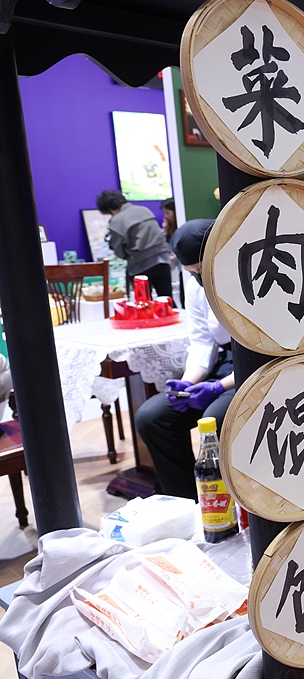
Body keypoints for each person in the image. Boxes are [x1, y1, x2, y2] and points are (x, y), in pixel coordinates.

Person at [135, 219, 234, 500]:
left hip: (255, 368)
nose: (198, 278)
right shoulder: (195, 286)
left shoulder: (245, 277)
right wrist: (187, 383)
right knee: (151, 418)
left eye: (201, 270)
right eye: (192, 272)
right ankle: (187, 502)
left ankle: (228, 505)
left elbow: (263, 351)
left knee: (214, 417)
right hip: (222, 363)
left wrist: (219, 387)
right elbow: (202, 342)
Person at [96, 190, 173, 299]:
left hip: (140, 264)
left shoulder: (116, 221)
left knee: (144, 301)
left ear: (108, 209)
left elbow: (118, 249)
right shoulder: (144, 210)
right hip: (162, 259)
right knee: (166, 298)